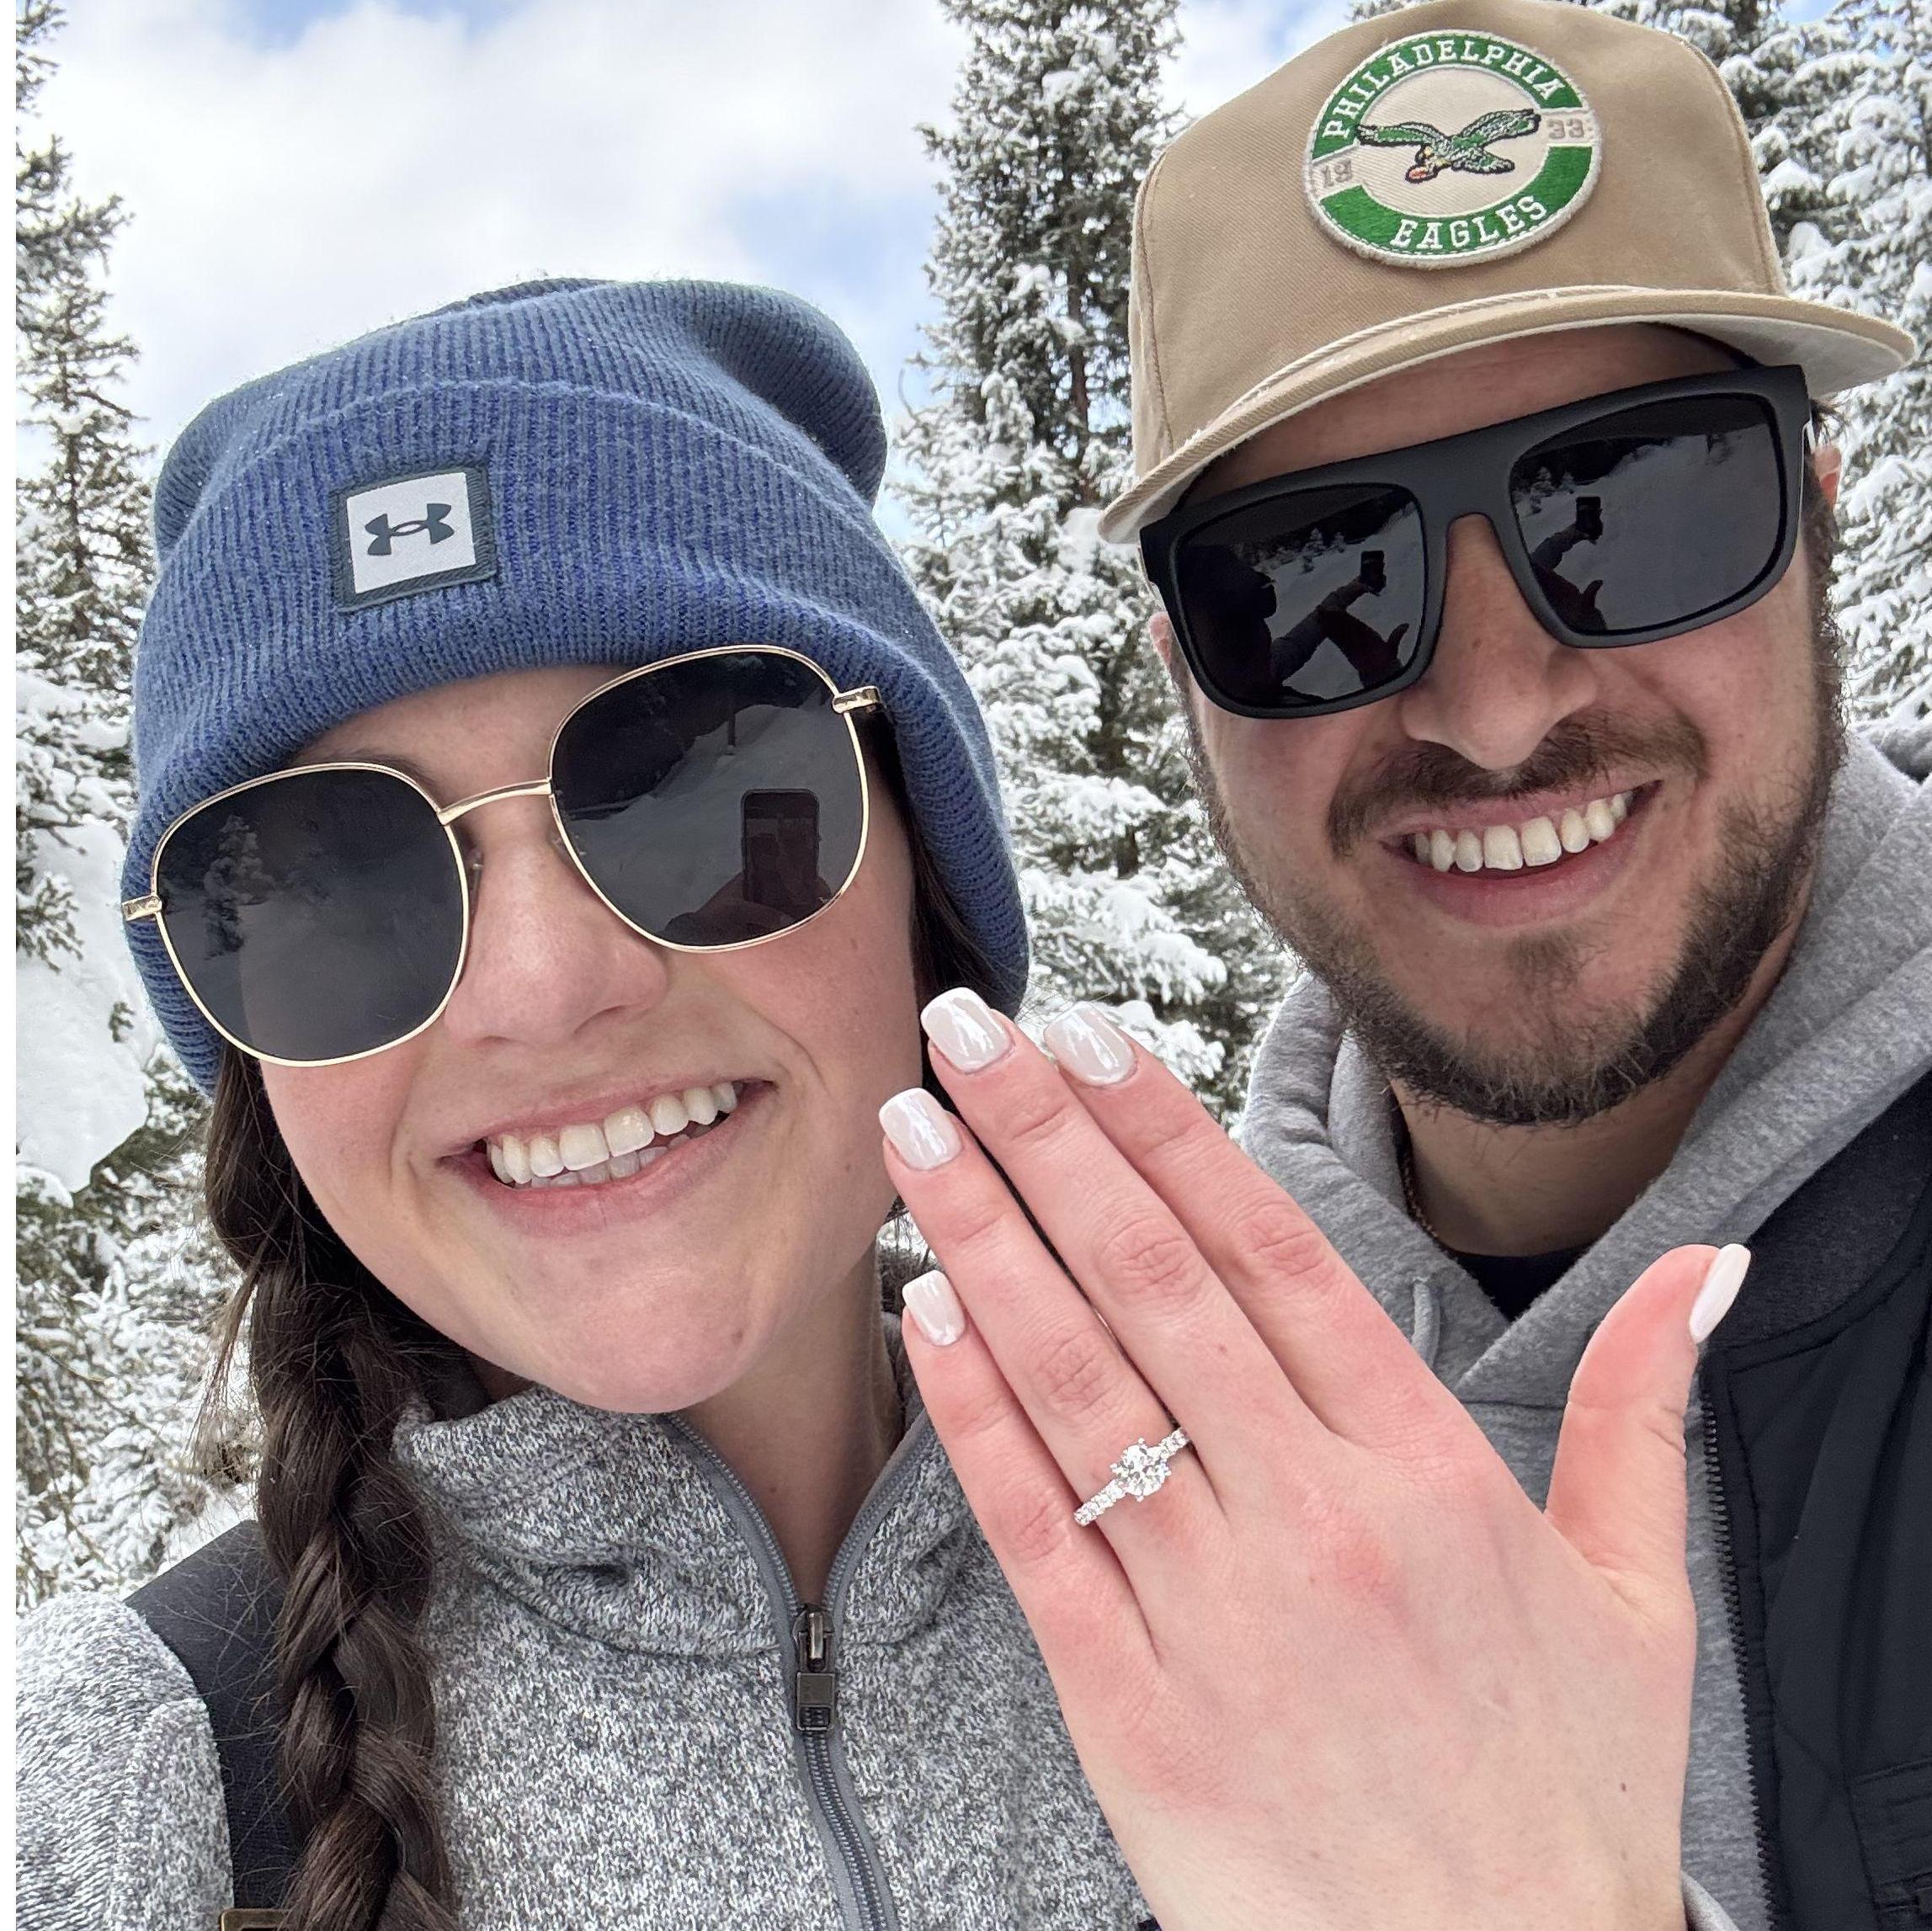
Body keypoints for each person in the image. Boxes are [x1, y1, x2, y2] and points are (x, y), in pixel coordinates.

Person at [874, 3, 1924, 1930]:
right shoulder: (1123, 1439)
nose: (1497, 703)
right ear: (1184, 674)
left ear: (1816, 511)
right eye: (1310, 578)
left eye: (1633, 503)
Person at [13, 279, 1171, 1931]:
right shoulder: (109, 1795)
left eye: (699, 784)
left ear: (929, 878)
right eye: (335, 881)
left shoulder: (1289, 1573)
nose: (544, 987)